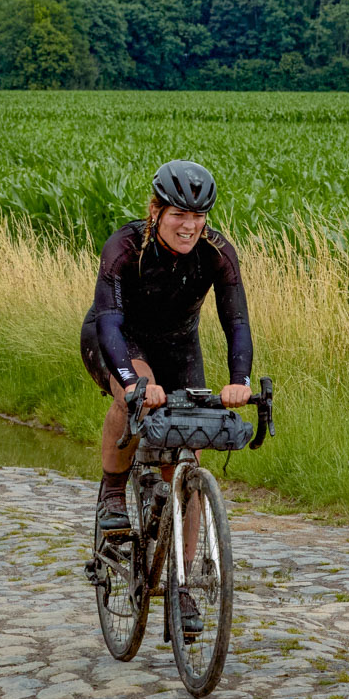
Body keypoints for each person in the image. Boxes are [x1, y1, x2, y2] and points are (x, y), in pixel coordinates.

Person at [80, 160, 254, 636]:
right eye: (179, 213)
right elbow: (110, 323)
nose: (190, 225)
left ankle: (181, 587)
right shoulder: (124, 249)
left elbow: (236, 322)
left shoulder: (217, 254)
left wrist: (239, 379)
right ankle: (113, 493)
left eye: (199, 216)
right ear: (156, 211)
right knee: (134, 397)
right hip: (118, 340)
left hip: (180, 347)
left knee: (187, 459)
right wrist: (133, 385)